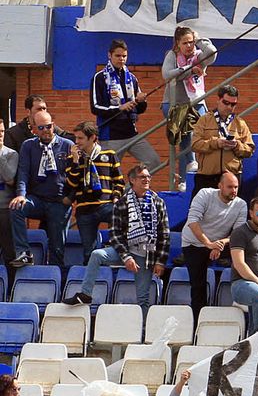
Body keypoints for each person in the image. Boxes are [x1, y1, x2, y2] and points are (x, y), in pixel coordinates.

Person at [60, 121, 124, 282]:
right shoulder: (73, 158)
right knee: (89, 252)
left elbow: (119, 181)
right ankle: (95, 285)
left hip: (106, 205)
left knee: (121, 214)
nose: (77, 142)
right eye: (76, 138)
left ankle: (116, 250)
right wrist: (75, 162)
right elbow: (71, 185)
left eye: (81, 138)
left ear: (93, 137)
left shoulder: (109, 154)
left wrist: (116, 197)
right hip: (84, 210)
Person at [8, 111, 74, 268]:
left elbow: (76, 176)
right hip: (37, 199)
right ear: (34, 129)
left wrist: (70, 198)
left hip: (59, 202)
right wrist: (22, 195)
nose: (46, 130)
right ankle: (24, 253)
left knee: (57, 249)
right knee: (16, 207)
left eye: (49, 126)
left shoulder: (67, 145)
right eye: (41, 127)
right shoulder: (28, 146)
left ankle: (56, 286)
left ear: (53, 125)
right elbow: (23, 172)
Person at [102, 164, 168, 311]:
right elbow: (114, 233)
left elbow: (164, 234)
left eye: (148, 176)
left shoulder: (158, 202)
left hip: (147, 255)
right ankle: (86, 293)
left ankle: (142, 330)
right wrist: (126, 256)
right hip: (125, 252)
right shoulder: (121, 203)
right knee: (96, 256)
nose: (147, 179)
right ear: (132, 180)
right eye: (142, 177)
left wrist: (160, 262)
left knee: (143, 297)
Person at [180, 171, 245, 317]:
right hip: (193, 242)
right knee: (198, 286)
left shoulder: (241, 205)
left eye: (236, 187)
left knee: (245, 252)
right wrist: (208, 244)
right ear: (220, 186)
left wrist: (220, 244)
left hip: (220, 242)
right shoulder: (205, 194)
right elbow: (192, 221)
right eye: (230, 187)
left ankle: (242, 301)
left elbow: (238, 233)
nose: (233, 191)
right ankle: (198, 321)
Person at [92, 39, 157, 173]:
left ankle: (130, 188)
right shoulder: (99, 77)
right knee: (107, 173)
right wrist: (119, 108)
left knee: (153, 161)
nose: (121, 59)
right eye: (118, 55)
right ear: (109, 55)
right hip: (110, 135)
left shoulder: (131, 78)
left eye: (124, 56)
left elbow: (139, 109)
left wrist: (141, 101)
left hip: (132, 133)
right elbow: (95, 107)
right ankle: (119, 192)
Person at [161, 25, 216, 184]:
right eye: (185, 43)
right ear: (177, 43)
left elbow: (212, 52)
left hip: (195, 101)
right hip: (173, 103)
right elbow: (167, 74)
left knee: (194, 132)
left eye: (191, 42)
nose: (189, 46)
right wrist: (189, 70)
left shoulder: (199, 56)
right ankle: (185, 177)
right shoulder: (172, 55)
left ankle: (188, 174)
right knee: (185, 132)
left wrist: (199, 40)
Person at [228, 197, 258, 335]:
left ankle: (254, 339)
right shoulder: (240, 232)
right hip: (241, 283)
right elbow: (239, 264)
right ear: (251, 213)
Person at [188, 84, 250, 192]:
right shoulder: (204, 120)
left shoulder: (240, 123)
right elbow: (195, 145)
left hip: (231, 178)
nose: (229, 107)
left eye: (233, 104)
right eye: (226, 103)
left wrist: (237, 145)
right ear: (218, 100)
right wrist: (216, 143)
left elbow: (249, 149)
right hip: (207, 177)